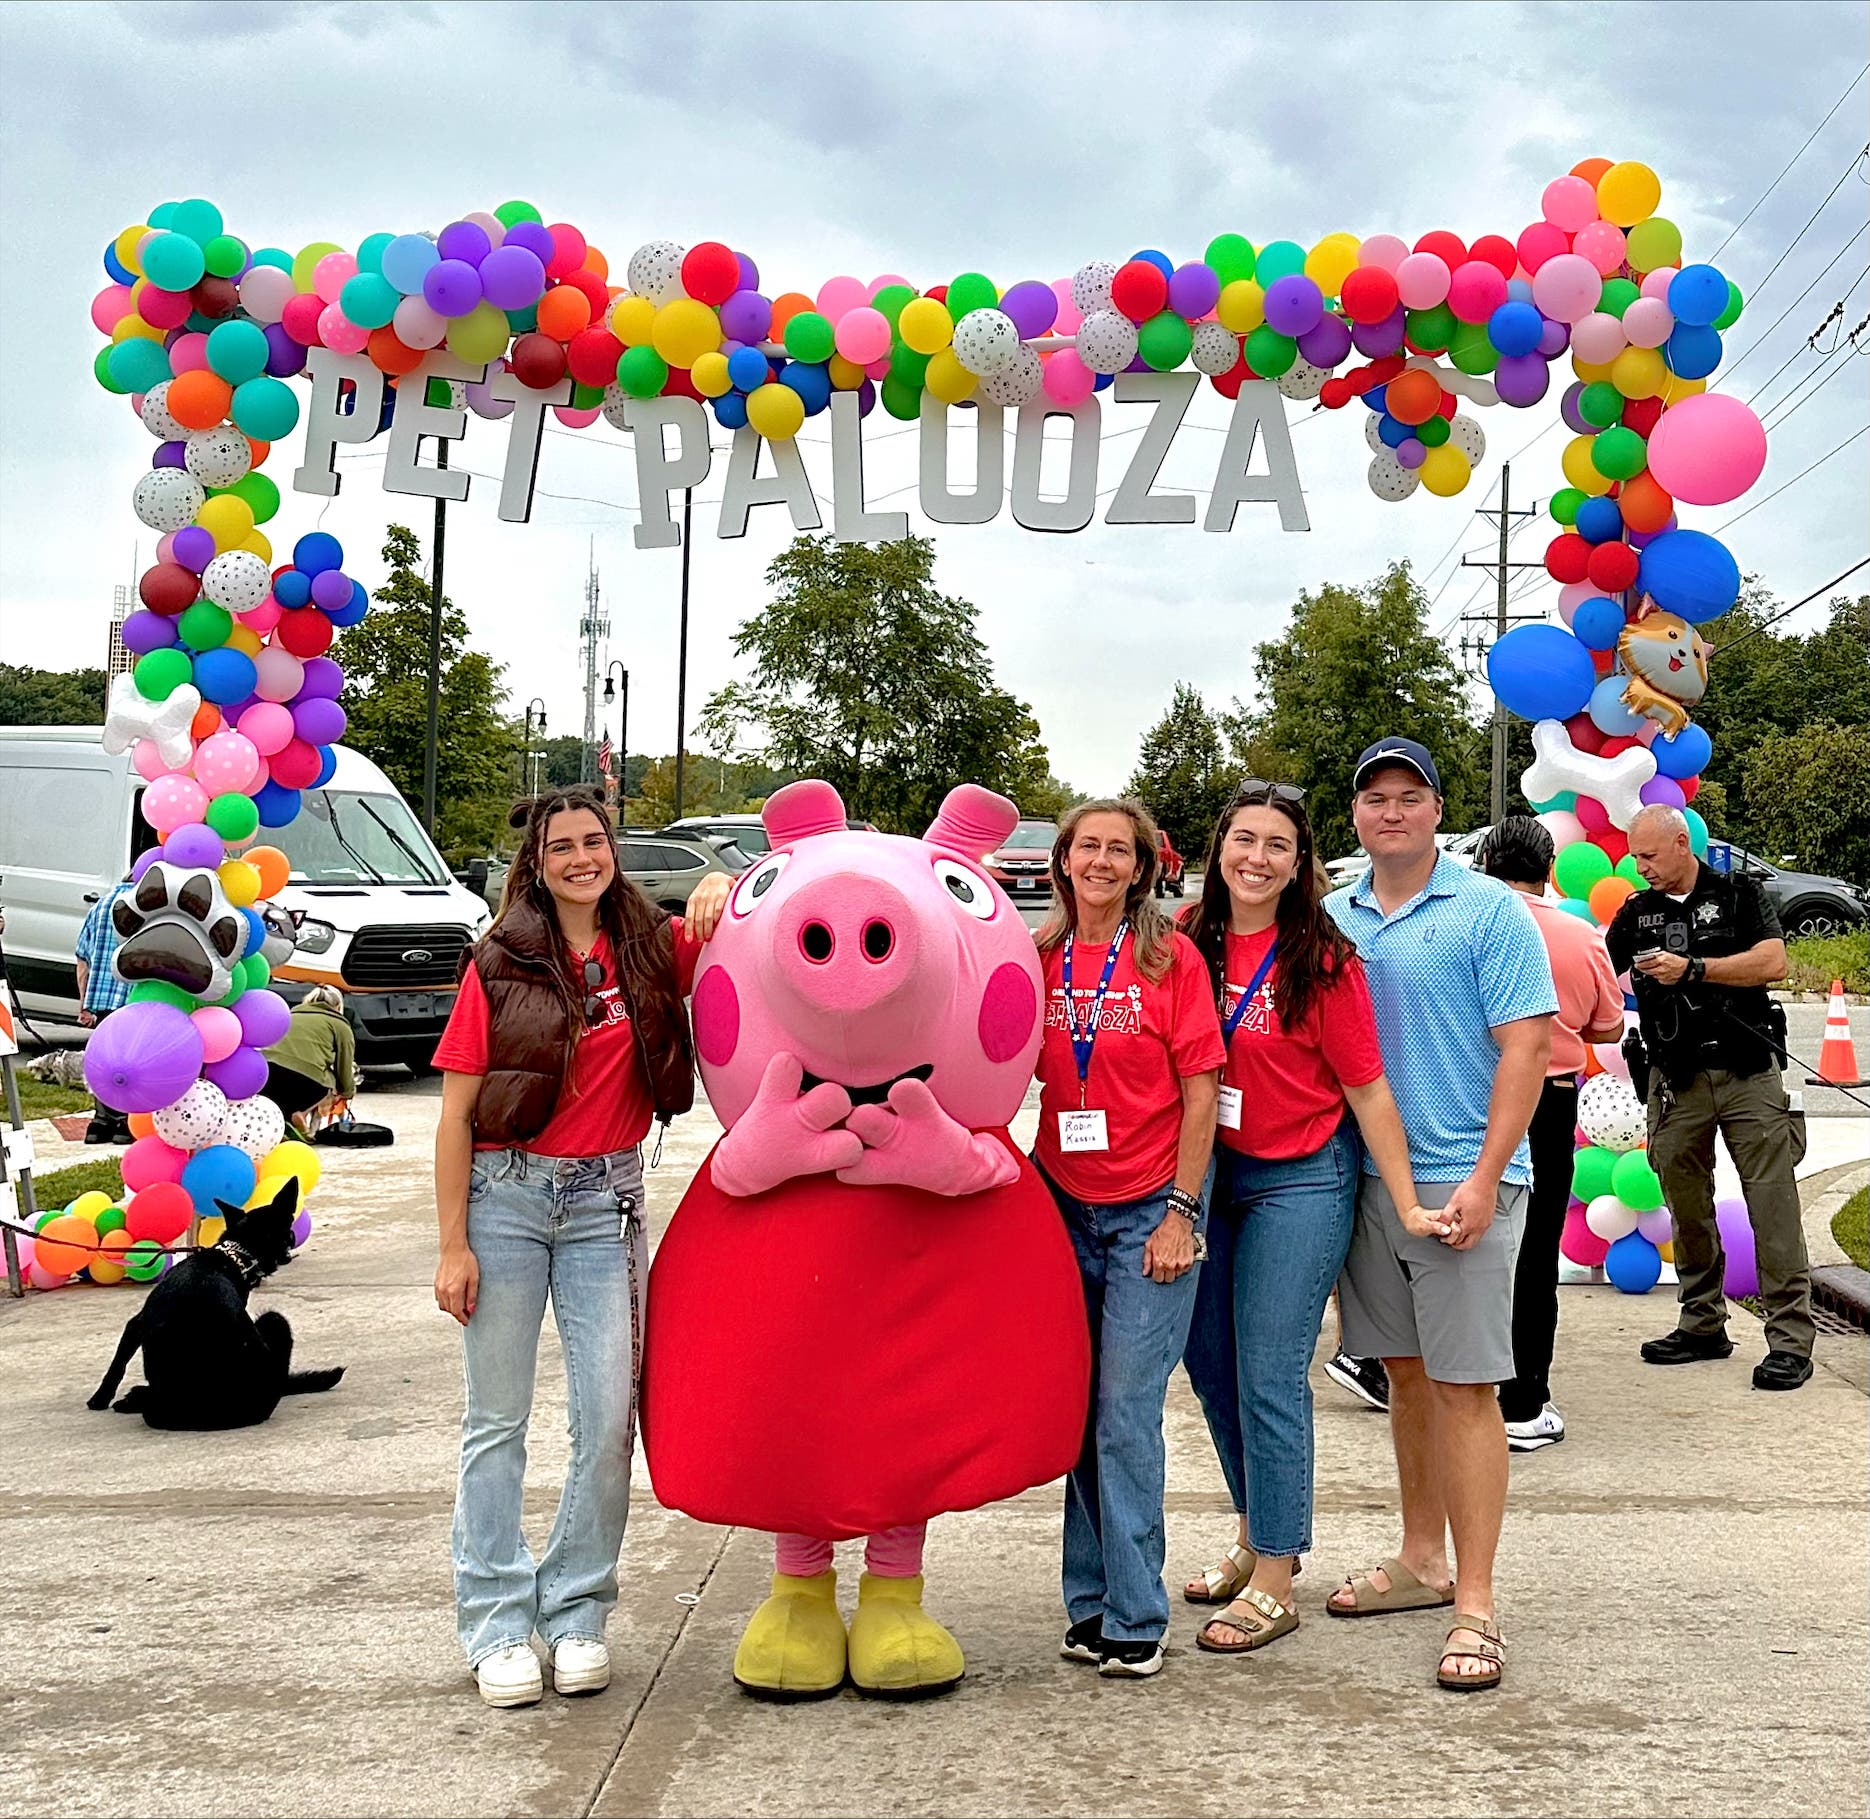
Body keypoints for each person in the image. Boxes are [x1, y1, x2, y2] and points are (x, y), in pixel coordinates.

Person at [431, 786, 731, 1710]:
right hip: (506, 1201)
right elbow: (452, 1117)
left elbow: (745, 920)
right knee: (499, 1422)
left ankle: (575, 1609)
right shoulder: (498, 962)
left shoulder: (649, 946)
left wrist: (720, 879)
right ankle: (493, 1620)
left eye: (592, 842)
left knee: (608, 1421)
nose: (578, 859)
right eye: (560, 847)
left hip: (608, 1204)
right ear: (537, 860)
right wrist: (453, 1245)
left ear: (613, 850)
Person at [1177, 780, 1442, 1656]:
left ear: (1301, 865)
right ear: (1220, 849)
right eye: (1243, 839)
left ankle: (1279, 1577)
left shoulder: (1322, 960)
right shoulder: (1184, 943)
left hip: (1300, 1178)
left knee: (1268, 1369)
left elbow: (1367, 1089)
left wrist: (1404, 1200)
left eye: (1278, 845)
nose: (1257, 857)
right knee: (1210, 1364)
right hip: (1209, 1176)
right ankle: (1256, 1534)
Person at [1322, 740, 1556, 1694]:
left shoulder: (1491, 911)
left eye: (1408, 798)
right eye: (1373, 797)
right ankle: (1422, 1561)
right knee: (1406, 1377)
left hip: (1464, 1179)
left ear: (1436, 810)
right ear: (1355, 816)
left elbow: (1526, 1050)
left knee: (1467, 1388)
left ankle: (1477, 1601)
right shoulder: (1332, 917)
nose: (1391, 812)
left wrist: (1488, 1174)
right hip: (1370, 1183)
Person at [1031, 798, 1224, 1680]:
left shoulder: (1167, 957)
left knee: (1123, 1411)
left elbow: (1200, 1090)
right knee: (1074, 1411)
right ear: (1063, 860)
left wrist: (1183, 1211)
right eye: (1088, 847)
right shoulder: (1032, 959)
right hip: (1059, 1203)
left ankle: (1138, 1614)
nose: (1102, 861)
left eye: (1120, 850)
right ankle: (1090, 1601)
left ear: (1142, 866)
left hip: (1152, 1206)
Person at [1603, 804, 1812, 1391]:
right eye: (1633, 856)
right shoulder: (1637, 913)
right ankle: (1702, 1323)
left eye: (1648, 855)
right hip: (1676, 1079)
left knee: (1772, 1205)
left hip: (1746, 1073)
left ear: (1679, 843)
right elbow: (1599, 970)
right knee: (1686, 1205)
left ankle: (1790, 1340)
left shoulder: (1738, 893)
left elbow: (1773, 960)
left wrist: (1694, 969)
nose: (1639, 866)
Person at [1477, 817, 1625, 1451]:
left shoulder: (1462, 925)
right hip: (1547, 1099)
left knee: (1461, 1240)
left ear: (1484, 863)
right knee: (1535, 1250)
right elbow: (1609, 1028)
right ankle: (1524, 1400)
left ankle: (1455, 1387)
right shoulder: (1578, 935)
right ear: (1550, 868)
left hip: (1466, 1097)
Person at [74, 873, 135, 1143]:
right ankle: (124, 1123)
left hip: (100, 999)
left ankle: (99, 1123)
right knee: (131, 1062)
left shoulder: (100, 906)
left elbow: (82, 959)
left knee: (104, 1059)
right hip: (134, 999)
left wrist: (84, 1004)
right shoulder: (149, 905)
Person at [260, 985, 357, 1134]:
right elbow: (344, 1067)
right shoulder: (339, 1024)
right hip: (305, 1082)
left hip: (266, 1074)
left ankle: (285, 1124)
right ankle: (302, 1114)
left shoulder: (290, 1015)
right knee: (330, 1078)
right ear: (338, 1006)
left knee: (281, 1106)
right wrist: (347, 1091)